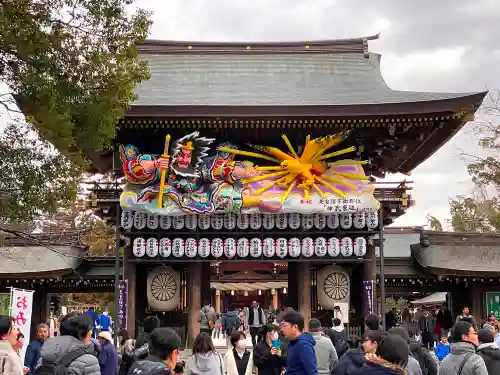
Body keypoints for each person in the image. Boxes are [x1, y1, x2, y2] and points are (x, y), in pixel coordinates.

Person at [279, 311, 317, 375]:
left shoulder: (303, 345)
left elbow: (312, 372)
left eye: (284, 325)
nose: (281, 329)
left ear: (295, 327)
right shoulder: (292, 343)